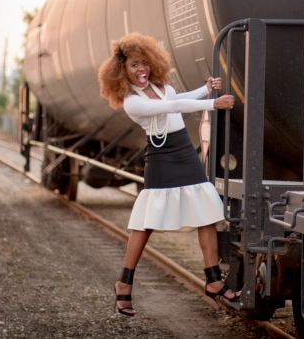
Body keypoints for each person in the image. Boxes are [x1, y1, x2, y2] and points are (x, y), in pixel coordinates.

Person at [97, 31, 239, 317]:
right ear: (121, 70)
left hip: (185, 152)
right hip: (161, 158)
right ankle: (124, 284)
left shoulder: (162, 86)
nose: (142, 70)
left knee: (207, 212)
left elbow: (177, 98)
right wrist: (213, 103)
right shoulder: (131, 101)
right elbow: (173, 107)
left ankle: (213, 280)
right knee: (145, 223)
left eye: (144, 63)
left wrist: (205, 88)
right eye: (134, 65)